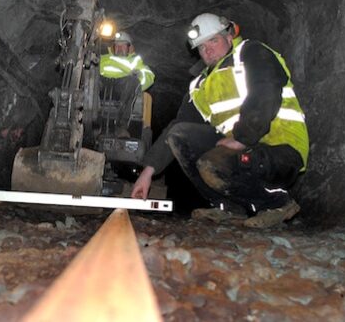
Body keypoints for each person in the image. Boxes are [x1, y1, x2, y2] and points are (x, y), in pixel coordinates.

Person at [131, 13, 309, 228]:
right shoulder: (200, 85)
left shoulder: (251, 52)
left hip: (281, 149)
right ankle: (229, 208)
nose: (208, 50)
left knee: (215, 162)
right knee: (180, 134)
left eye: (213, 40)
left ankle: (276, 203)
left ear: (228, 37)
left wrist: (241, 138)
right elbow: (174, 128)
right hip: (242, 150)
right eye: (201, 47)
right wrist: (148, 171)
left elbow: (265, 92)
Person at [99, 32, 155, 133]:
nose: (119, 48)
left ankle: (121, 127)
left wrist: (137, 78)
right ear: (113, 48)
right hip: (102, 87)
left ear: (130, 48)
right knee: (90, 75)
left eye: (123, 46)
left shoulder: (136, 62)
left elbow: (149, 77)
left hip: (122, 90)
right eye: (117, 46)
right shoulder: (103, 58)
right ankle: (88, 119)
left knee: (133, 81)